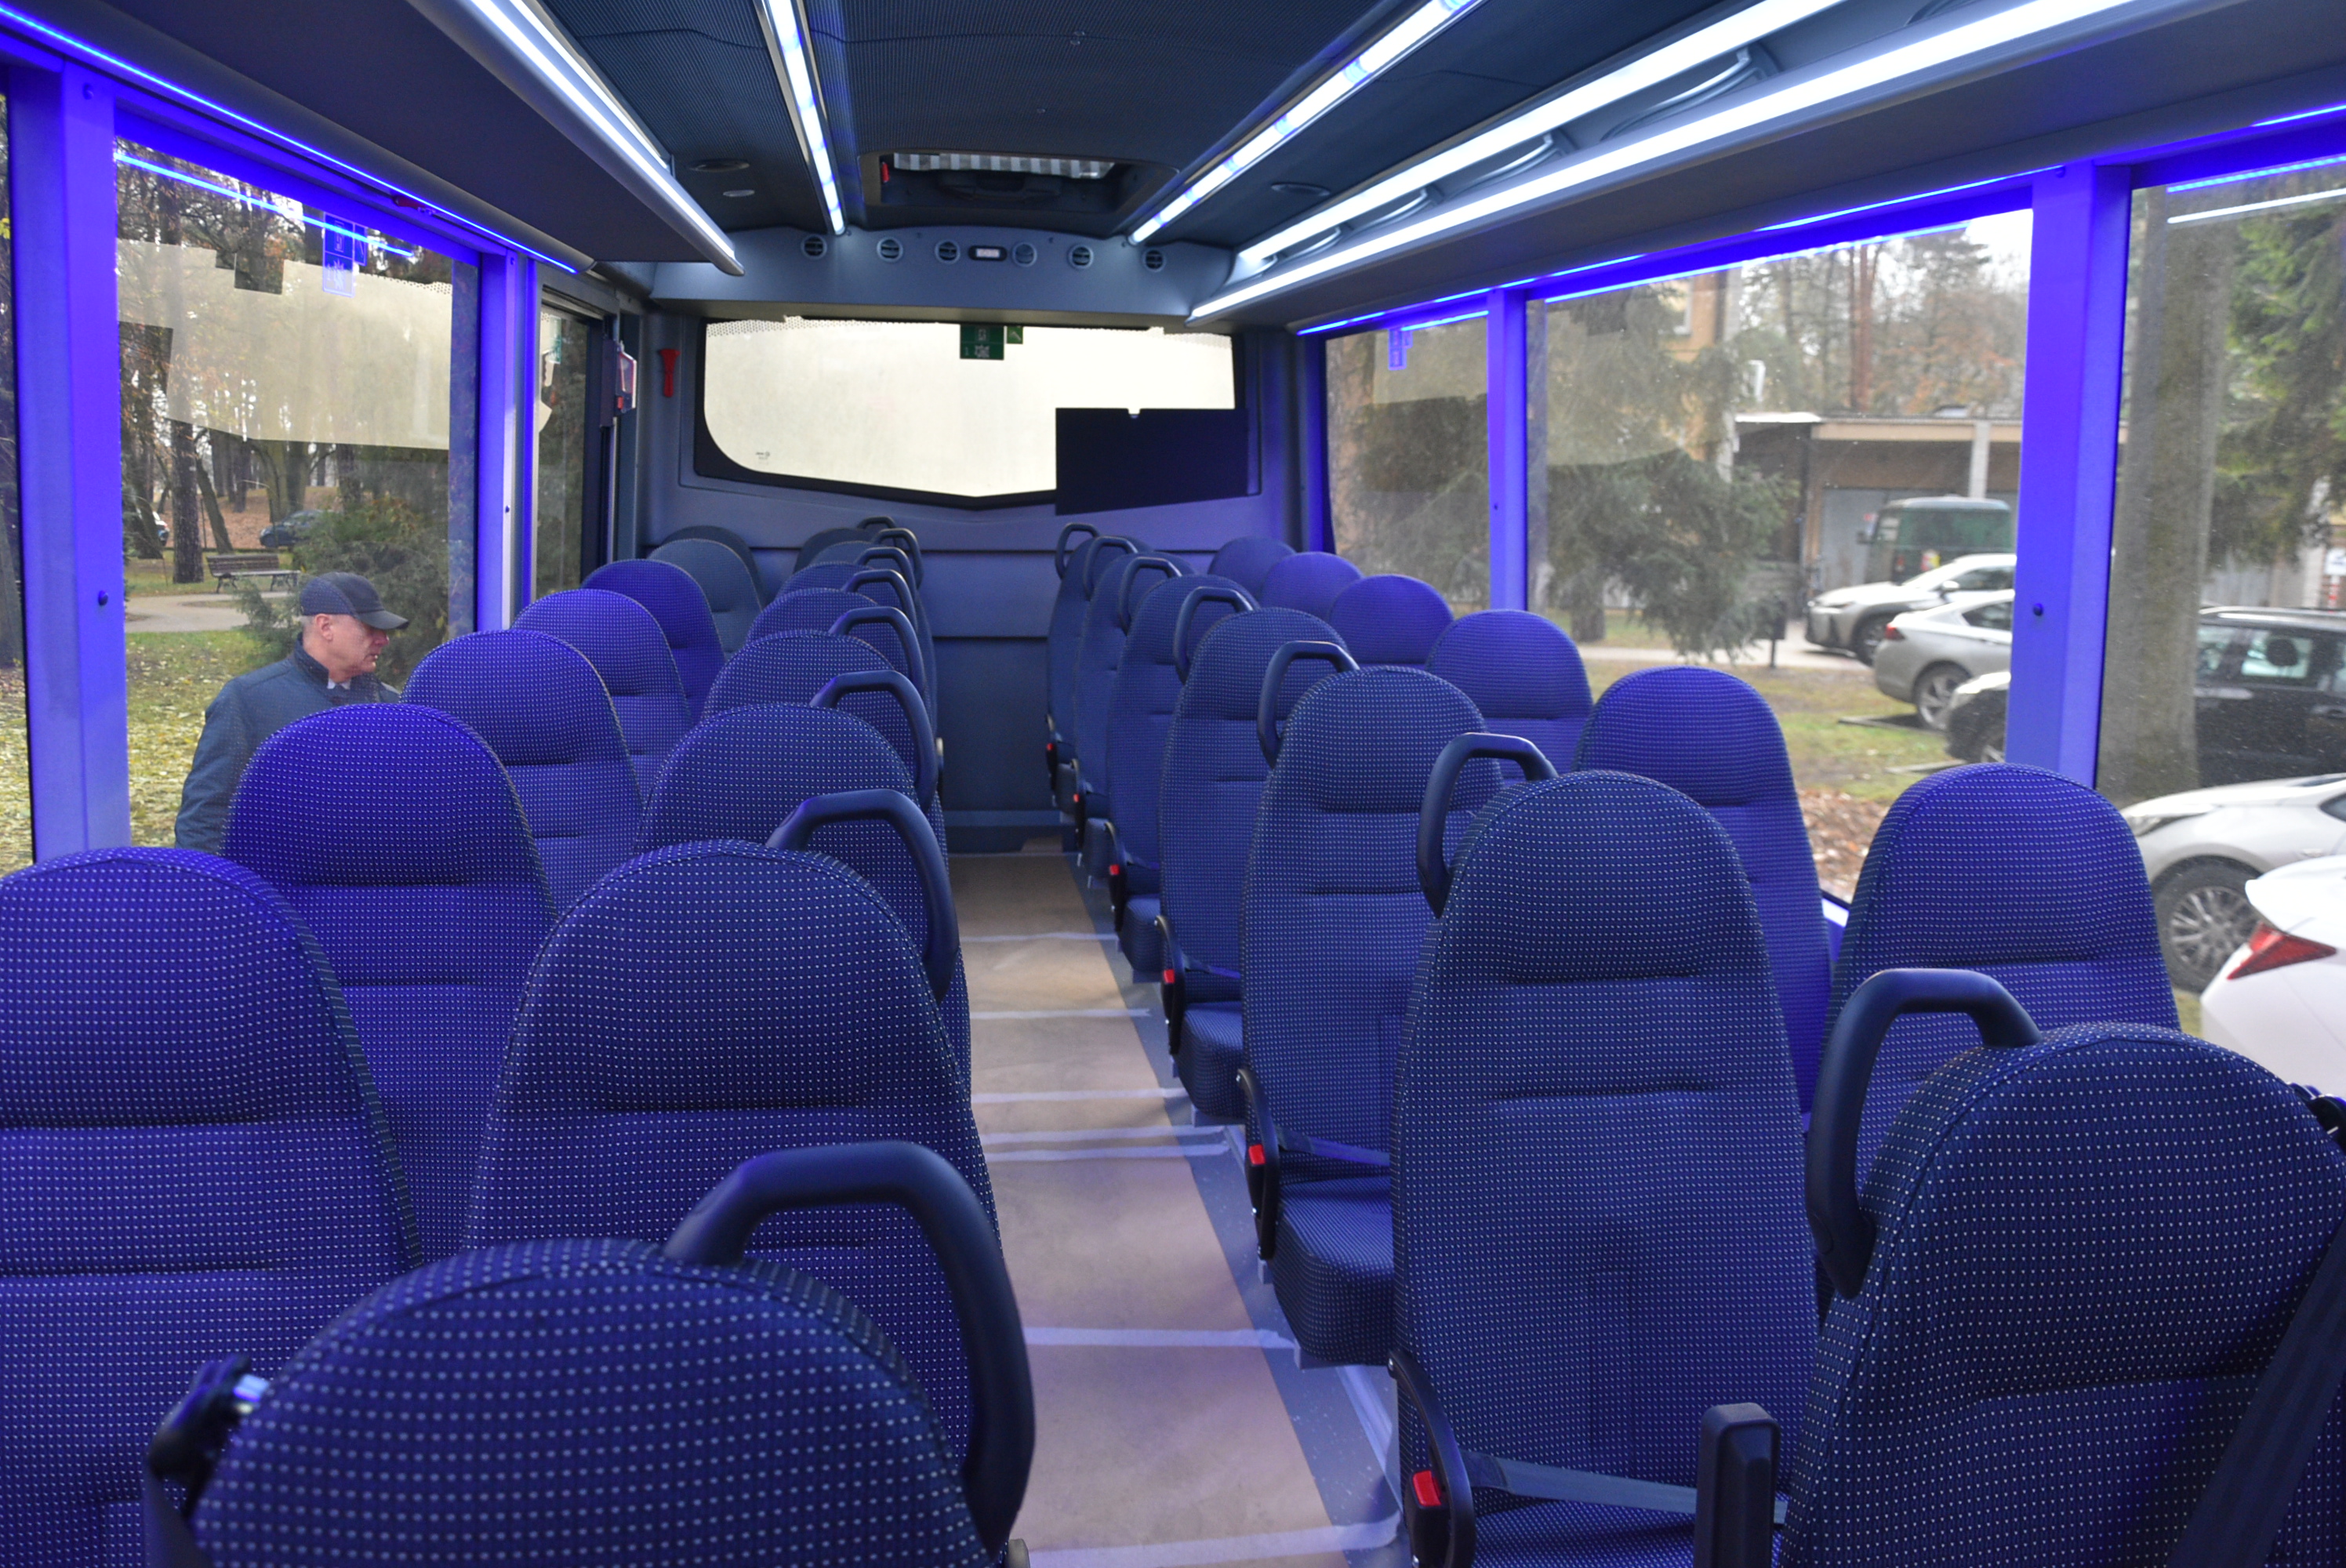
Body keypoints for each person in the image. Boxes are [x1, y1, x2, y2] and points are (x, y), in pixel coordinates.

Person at [175, 572, 409, 855]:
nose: (384, 640)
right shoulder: (248, 700)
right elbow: (206, 816)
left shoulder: (389, 705)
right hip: (272, 877)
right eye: (371, 628)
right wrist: (212, 881)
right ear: (325, 626)